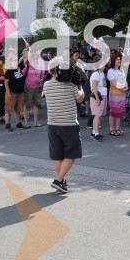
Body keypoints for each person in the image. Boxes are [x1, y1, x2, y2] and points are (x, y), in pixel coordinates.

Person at [42, 59, 85, 193]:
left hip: (53, 125)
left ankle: (62, 182)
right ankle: (59, 180)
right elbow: (80, 99)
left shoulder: (46, 85)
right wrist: (80, 85)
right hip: (69, 124)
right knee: (71, 155)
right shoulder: (70, 85)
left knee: (58, 156)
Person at [3, 54, 29, 131]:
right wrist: (8, 93)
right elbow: (6, 82)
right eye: (14, 60)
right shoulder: (9, 71)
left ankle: (18, 123)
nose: (15, 62)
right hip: (12, 92)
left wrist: (27, 50)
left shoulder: (19, 69)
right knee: (9, 109)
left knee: (18, 109)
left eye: (16, 60)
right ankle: (7, 124)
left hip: (20, 92)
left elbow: (26, 58)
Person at [23, 52, 47, 128]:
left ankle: (35, 122)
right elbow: (21, 75)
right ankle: (26, 123)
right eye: (34, 59)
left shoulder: (40, 68)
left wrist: (41, 80)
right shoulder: (27, 67)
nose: (35, 60)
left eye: (36, 59)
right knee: (26, 106)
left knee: (35, 105)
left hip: (37, 88)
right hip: (28, 88)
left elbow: (42, 77)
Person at [107, 55, 127, 136]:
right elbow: (113, 82)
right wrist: (122, 88)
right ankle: (112, 129)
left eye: (120, 59)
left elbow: (125, 82)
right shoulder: (110, 71)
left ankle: (117, 128)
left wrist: (126, 88)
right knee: (113, 112)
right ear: (113, 61)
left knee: (119, 112)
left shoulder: (122, 71)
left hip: (122, 94)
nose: (119, 61)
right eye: (117, 59)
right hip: (114, 94)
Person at [89, 60, 107, 142]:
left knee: (98, 115)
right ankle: (96, 133)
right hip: (98, 96)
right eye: (103, 64)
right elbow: (94, 87)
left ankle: (94, 132)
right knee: (98, 115)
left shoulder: (101, 73)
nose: (104, 66)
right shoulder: (96, 74)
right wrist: (97, 98)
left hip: (102, 95)